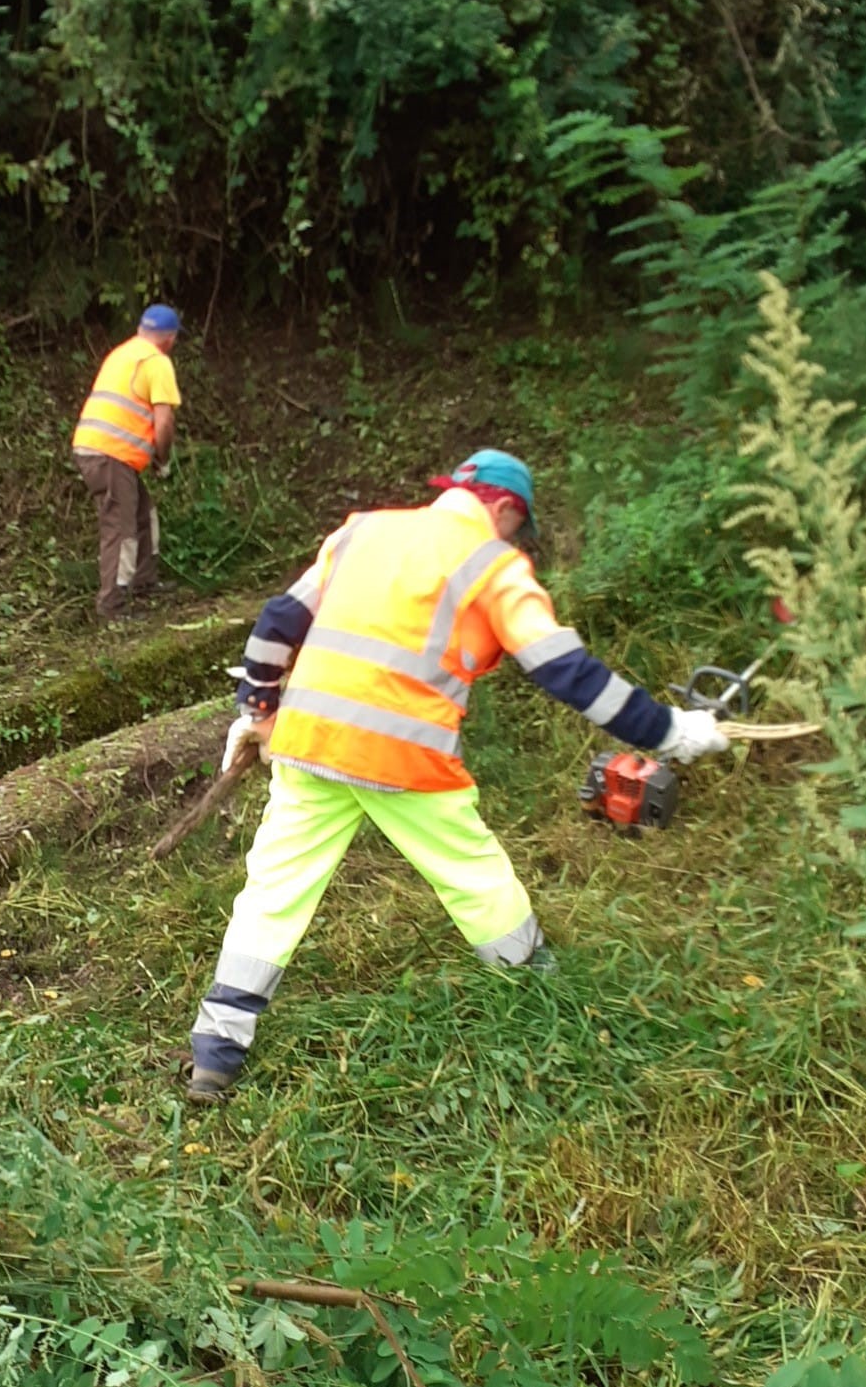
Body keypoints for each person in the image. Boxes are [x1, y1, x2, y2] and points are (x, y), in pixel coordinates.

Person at [186, 448, 730, 1102]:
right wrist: (672, 731)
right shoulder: (494, 565)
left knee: (273, 890)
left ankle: (216, 1050)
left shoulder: (364, 530)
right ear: (504, 510)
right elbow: (568, 672)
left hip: (308, 743)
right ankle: (536, 991)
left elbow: (278, 620)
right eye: (515, 527)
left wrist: (259, 708)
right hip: (404, 758)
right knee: (473, 873)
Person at [72, 303, 182, 620]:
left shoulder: (122, 353)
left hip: (96, 449)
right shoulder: (156, 362)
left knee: (143, 513)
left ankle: (144, 581)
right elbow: (163, 423)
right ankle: (111, 606)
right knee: (122, 530)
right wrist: (163, 459)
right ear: (170, 338)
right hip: (111, 454)